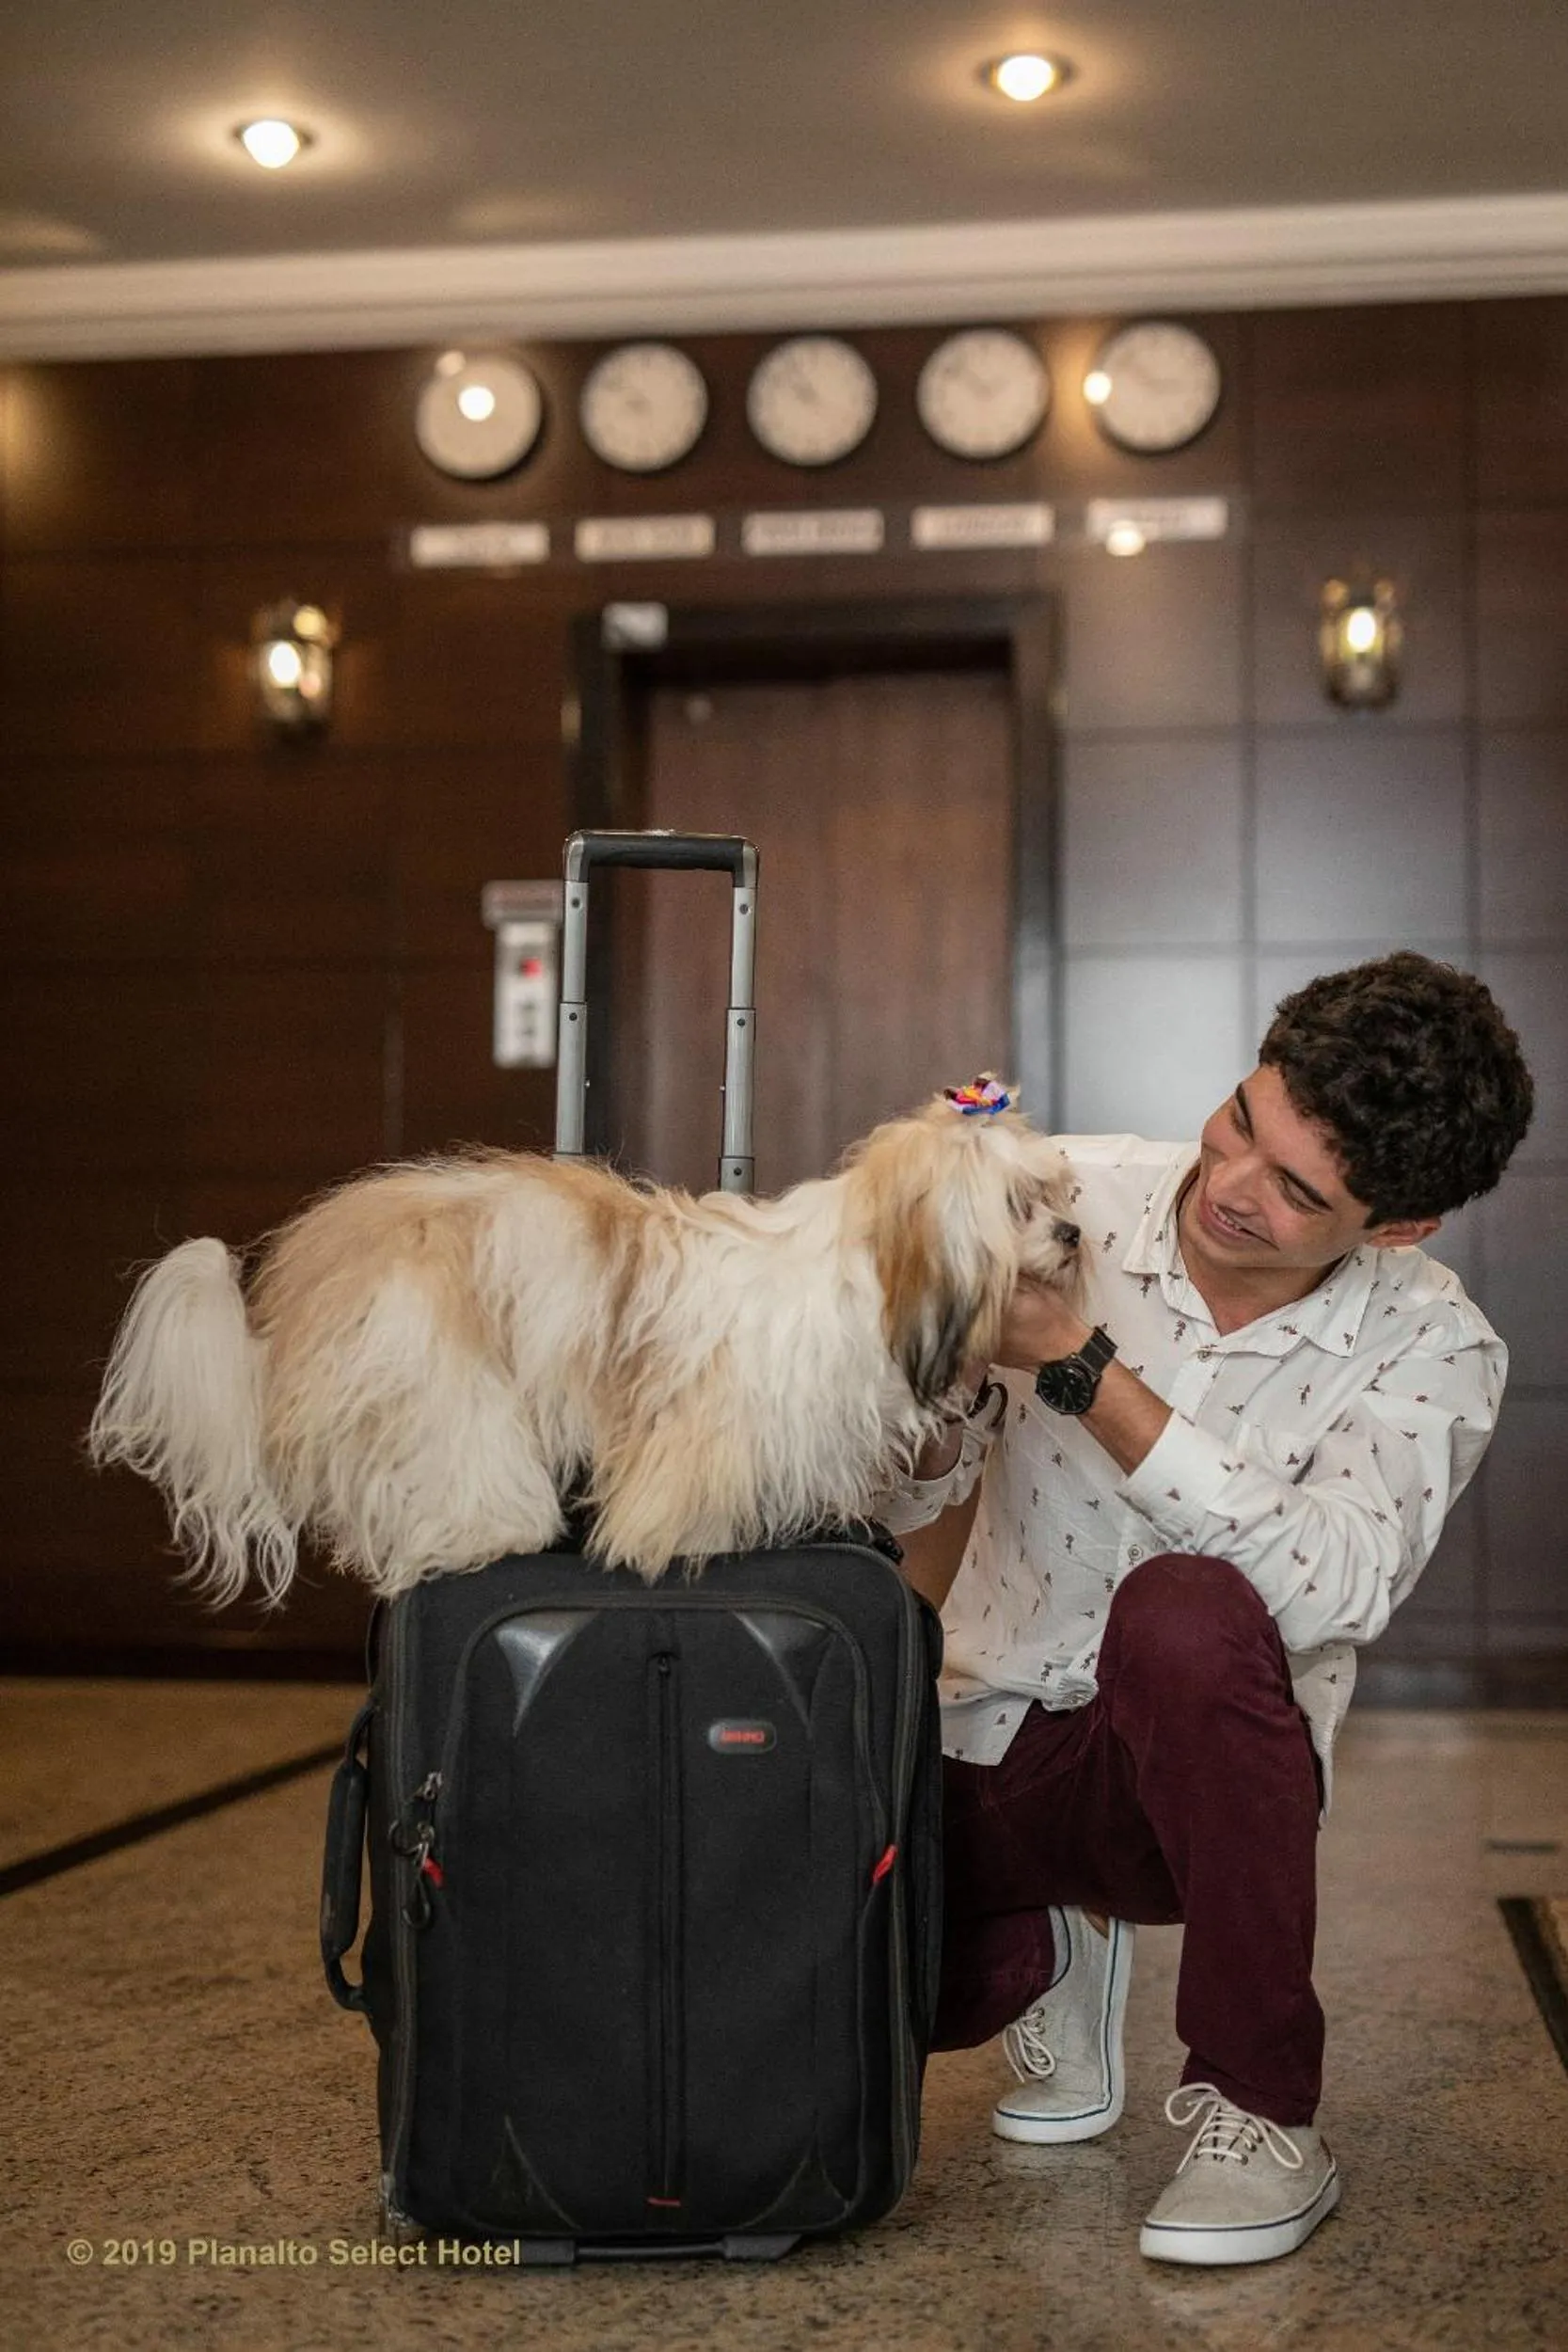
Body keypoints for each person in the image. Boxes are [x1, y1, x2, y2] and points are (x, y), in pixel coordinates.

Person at [884, 952, 1534, 2267]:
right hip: (982, 1742)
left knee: (1188, 1607)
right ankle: (1046, 1953)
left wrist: (1079, 1369)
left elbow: (1338, 1584)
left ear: (1394, 1228)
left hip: (1188, 1805)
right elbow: (898, 1504)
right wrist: (935, 1393)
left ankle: (1261, 2107)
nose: (1230, 1187)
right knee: (852, 1995)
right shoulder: (1054, 1192)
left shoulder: (1434, 1346)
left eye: (1298, 1190)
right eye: (1243, 1120)